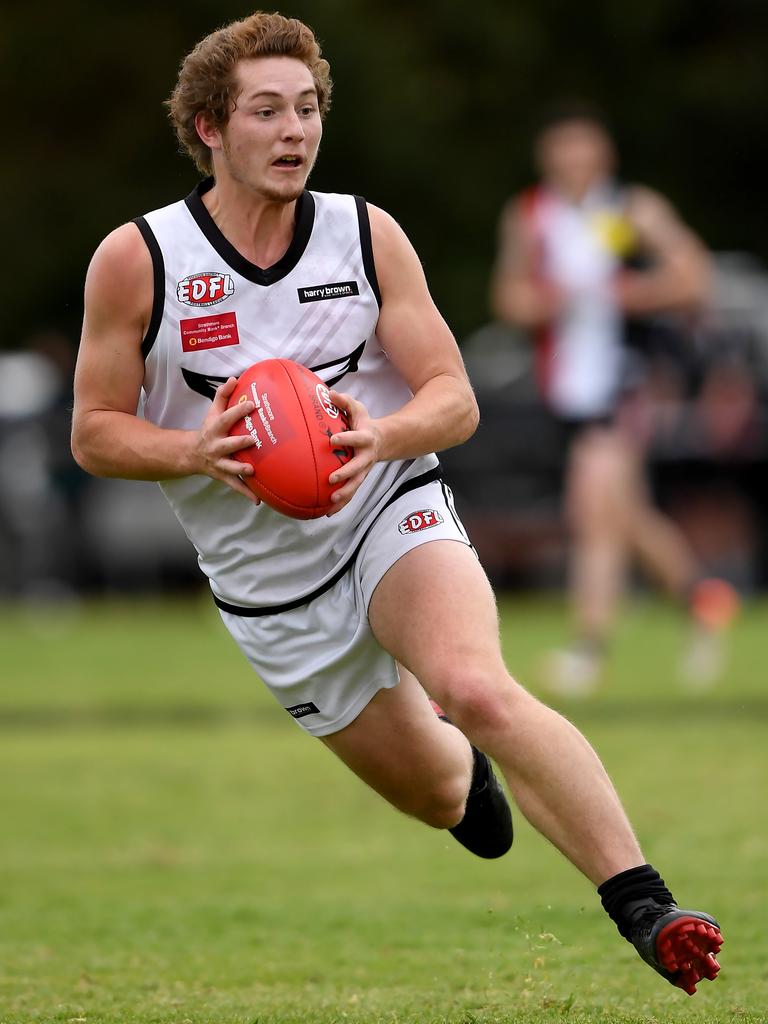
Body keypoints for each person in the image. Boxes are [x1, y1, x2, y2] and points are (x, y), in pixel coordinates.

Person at [71, 15, 722, 997]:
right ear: (208, 127)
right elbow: (92, 431)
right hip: (270, 589)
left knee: (478, 684)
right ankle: (465, 778)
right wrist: (195, 449)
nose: (296, 130)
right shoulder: (140, 260)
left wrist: (381, 436)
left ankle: (648, 906)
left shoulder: (365, 235)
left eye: (308, 108)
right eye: (266, 111)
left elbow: (452, 397)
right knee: (437, 789)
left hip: (387, 508)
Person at [490, 105, 739, 694]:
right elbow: (509, 299)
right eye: (563, 149)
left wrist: (625, 292)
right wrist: (560, 300)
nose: (574, 161)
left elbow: (694, 276)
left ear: (603, 154)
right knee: (624, 516)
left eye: (585, 148)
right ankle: (705, 602)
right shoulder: (530, 216)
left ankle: (589, 650)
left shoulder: (631, 209)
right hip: (566, 392)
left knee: (592, 511)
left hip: (624, 384)